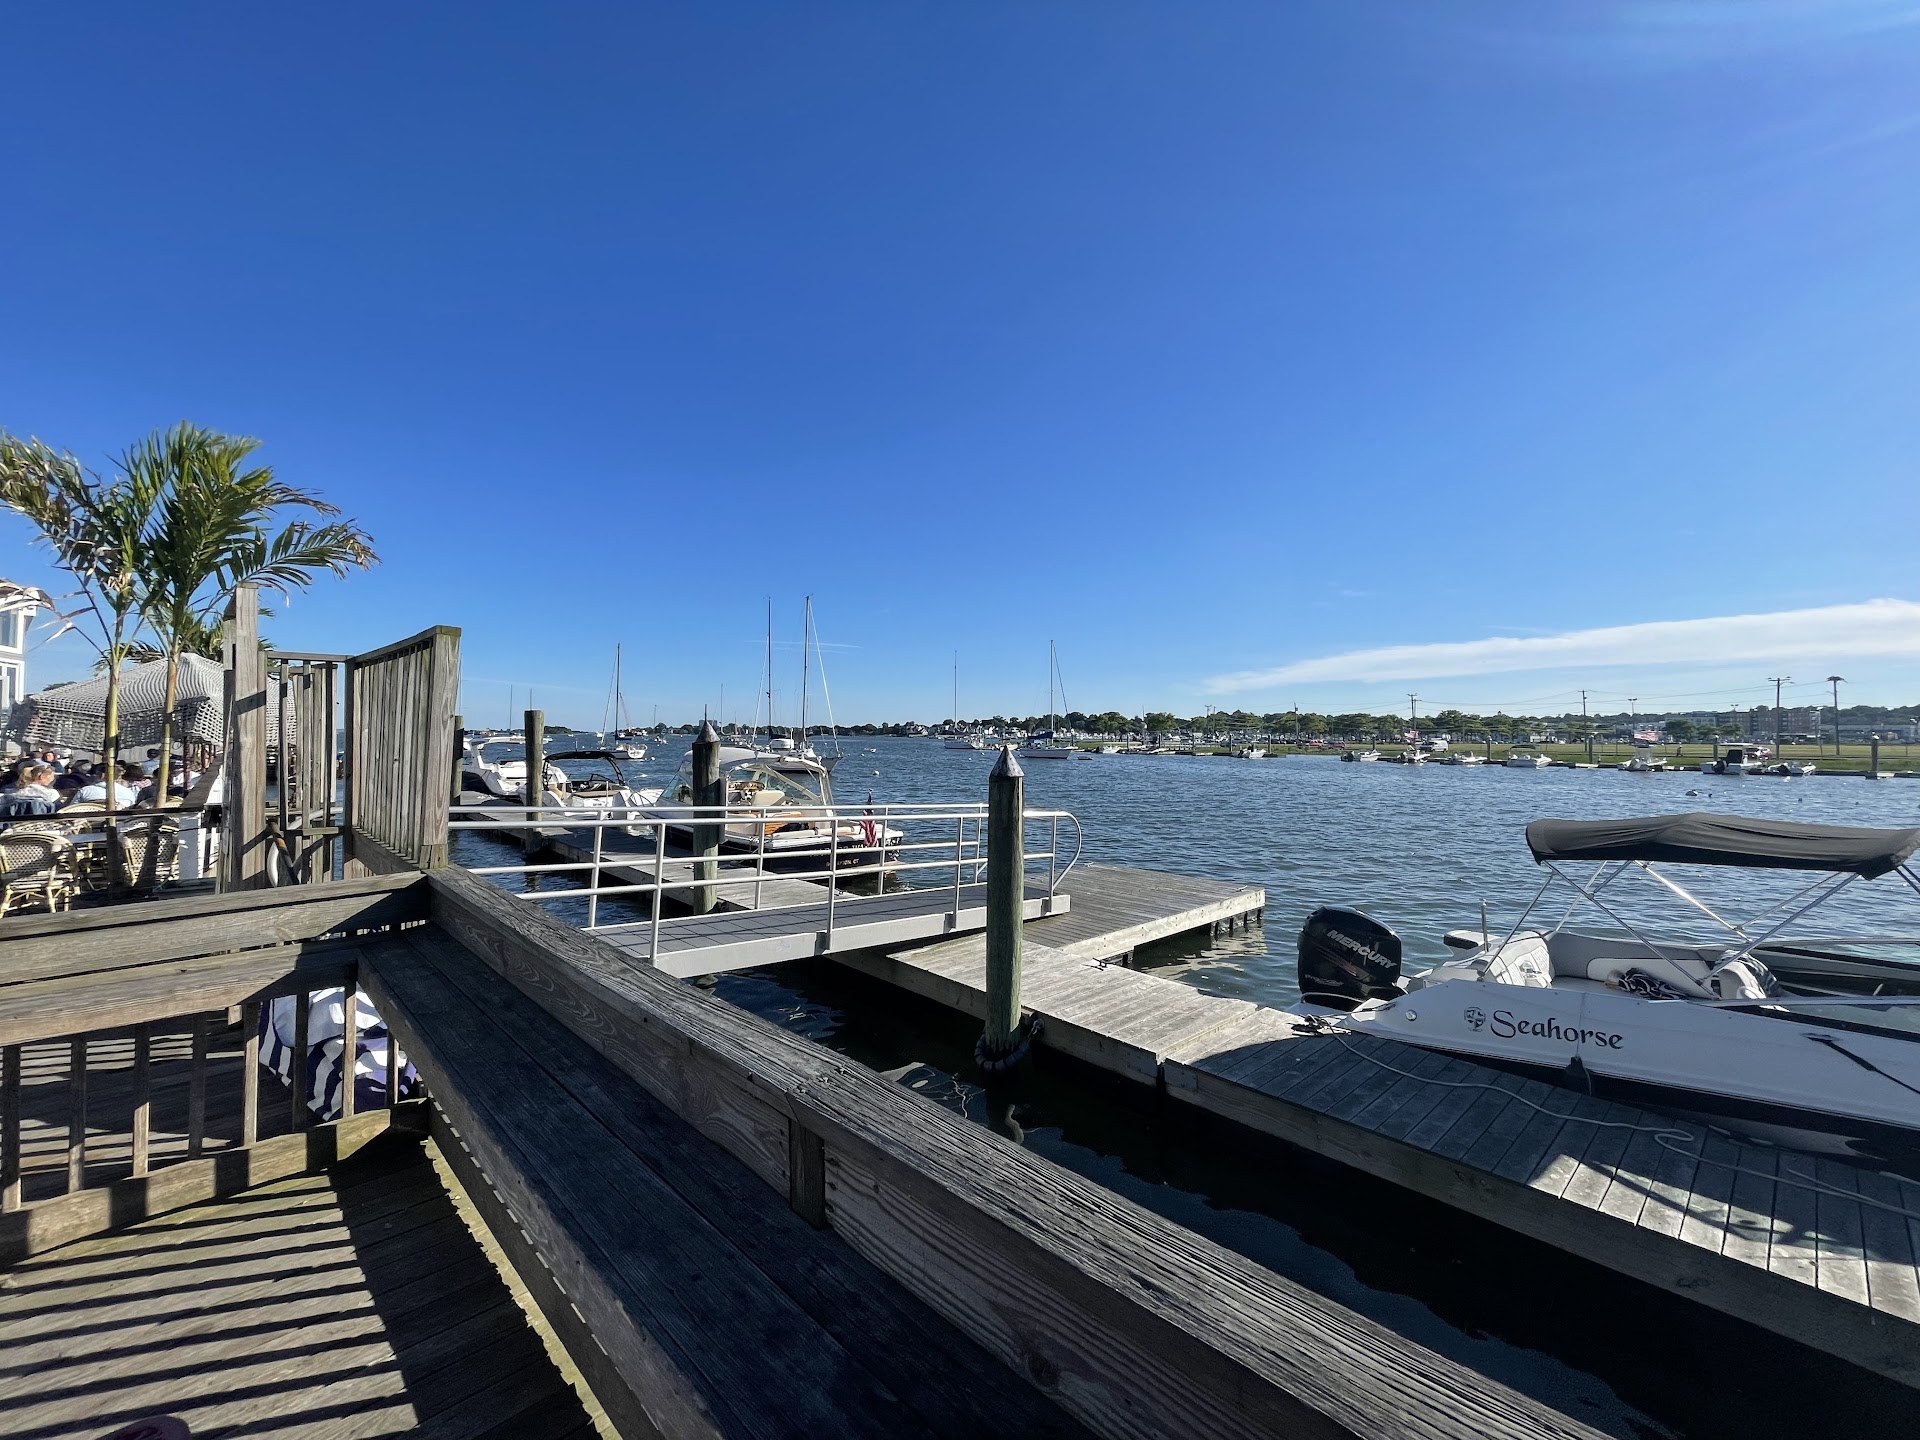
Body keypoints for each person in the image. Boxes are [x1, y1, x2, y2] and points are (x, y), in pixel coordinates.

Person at [68, 764, 143, 808]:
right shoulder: (128, 793)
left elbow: (71, 809)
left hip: (87, 825)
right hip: (119, 825)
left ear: (101, 775)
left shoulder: (85, 790)